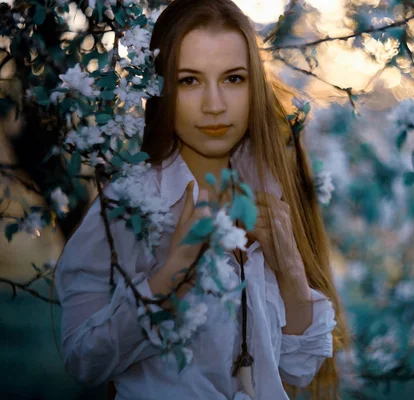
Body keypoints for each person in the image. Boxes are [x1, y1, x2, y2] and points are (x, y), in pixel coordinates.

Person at [54, 0, 349, 399]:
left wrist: (291, 271)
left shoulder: (268, 195)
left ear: (254, 87)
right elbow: (82, 360)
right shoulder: (128, 207)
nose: (214, 105)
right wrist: (169, 277)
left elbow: (296, 370)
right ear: (160, 88)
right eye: (189, 80)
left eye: (233, 79)